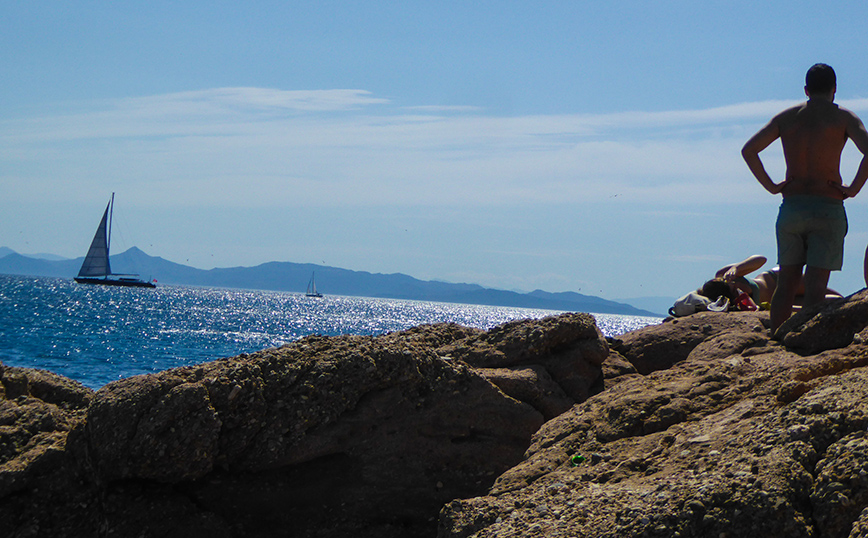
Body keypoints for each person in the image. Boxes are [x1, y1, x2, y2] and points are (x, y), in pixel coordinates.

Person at [742, 64, 868, 333]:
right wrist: (854, 187)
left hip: (793, 207)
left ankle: (777, 338)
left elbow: (749, 150)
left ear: (806, 90)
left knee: (786, 284)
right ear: (834, 89)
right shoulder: (844, 118)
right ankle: (805, 340)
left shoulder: (787, 117)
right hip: (828, 205)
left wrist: (772, 186)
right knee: (815, 287)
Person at [697, 254, 841, 309]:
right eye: (733, 290)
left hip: (777, 279)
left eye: (733, 285)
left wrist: (736, 268)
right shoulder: (736, 304)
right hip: (781, 301)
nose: (736, 286)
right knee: (835, 302)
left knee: (825, 292)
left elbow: (760, 259)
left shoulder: (724, 275)